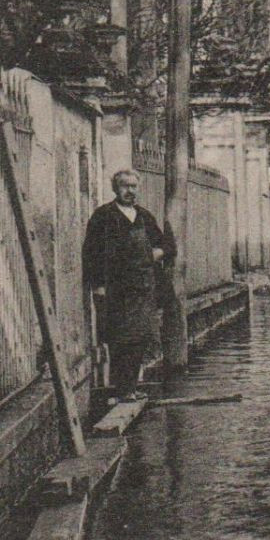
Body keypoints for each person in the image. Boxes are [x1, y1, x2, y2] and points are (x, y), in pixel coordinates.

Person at [83, 170, 174, 400]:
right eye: (125, 186)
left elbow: (166, 245)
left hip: (142, 290)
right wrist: (98, 287)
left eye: (133, 186)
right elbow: (91, 253)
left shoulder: (144, 217)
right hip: (115, 290)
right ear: (115, 188)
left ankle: (131, 387)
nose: (129, 191)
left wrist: (150, 255)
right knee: (118, 339)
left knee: (140, 338)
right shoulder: (103, 216)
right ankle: (121, 389)